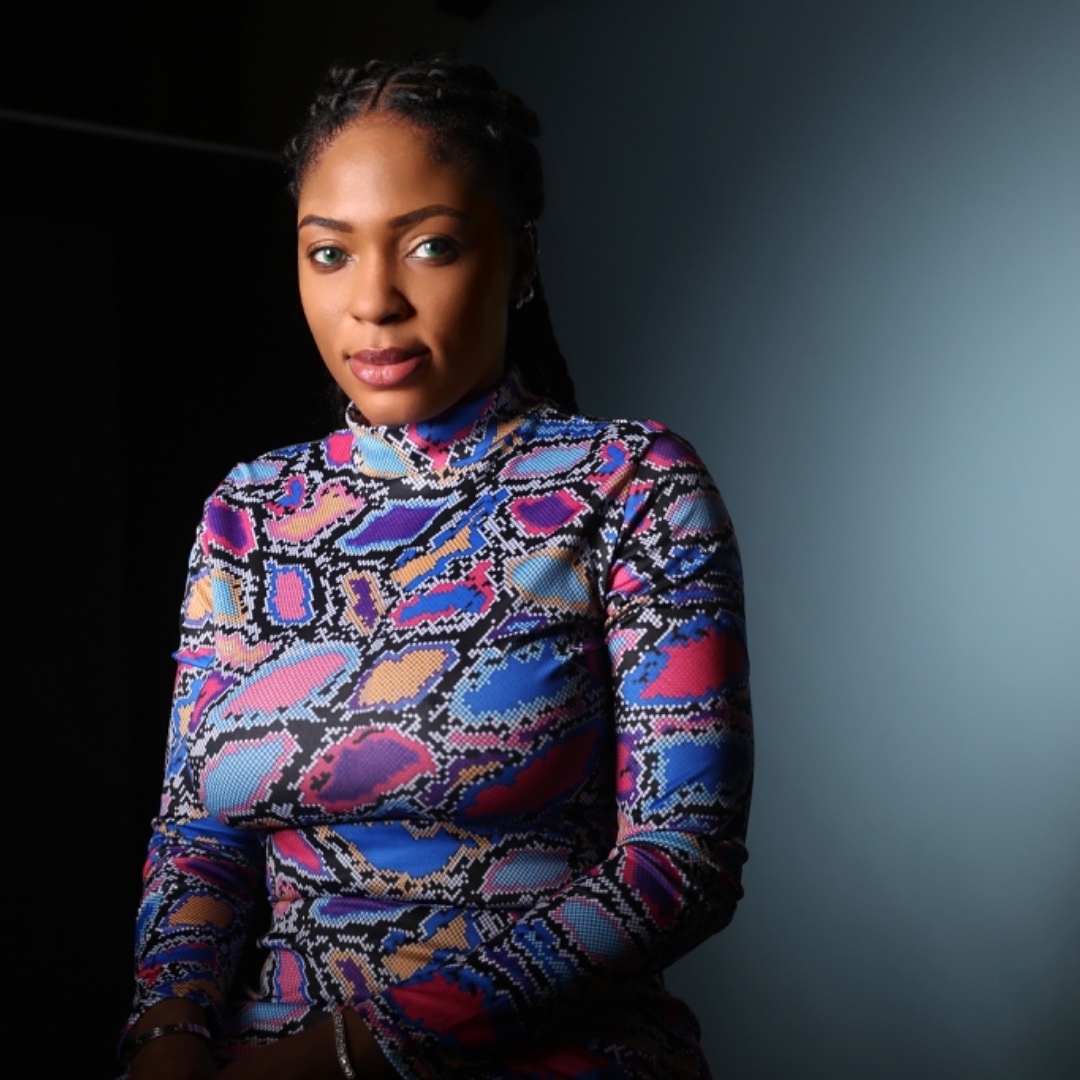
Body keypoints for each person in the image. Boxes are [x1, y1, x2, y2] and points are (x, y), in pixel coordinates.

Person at [120, 56, 752, 1080]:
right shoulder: (249, 509)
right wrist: (165, 1037)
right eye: (329, 254)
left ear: (520, 255)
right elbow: (198, 835)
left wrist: (345, 1057)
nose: (373, 301)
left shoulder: (628, 486)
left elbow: (678, 863)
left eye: (429, 245)